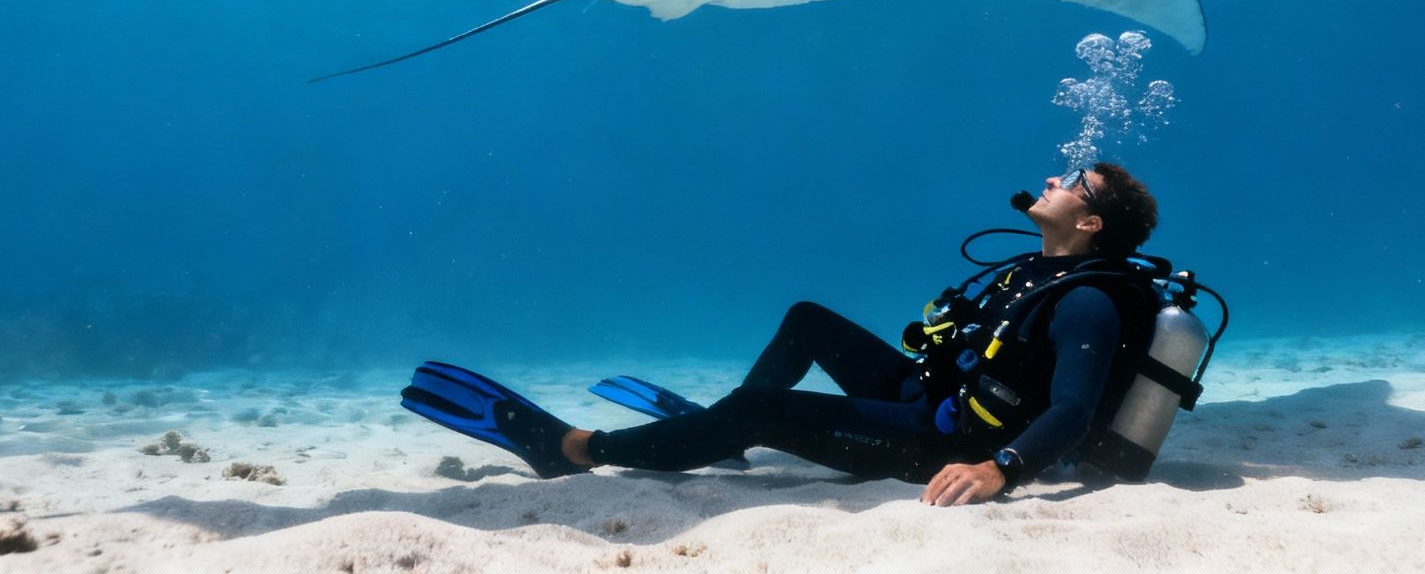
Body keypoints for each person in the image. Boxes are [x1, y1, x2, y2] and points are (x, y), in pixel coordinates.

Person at [401, 162, 1161, 507]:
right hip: (928, 395)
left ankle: (572, 451)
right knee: (808, 318)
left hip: (944, 440)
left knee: (763, 412)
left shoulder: (1087, 300)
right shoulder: (1033, 270)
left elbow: (1072, 409)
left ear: (1090, 224)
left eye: (1077, 184)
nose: (1057, 179)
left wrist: (999, 469)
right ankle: (720, 429)